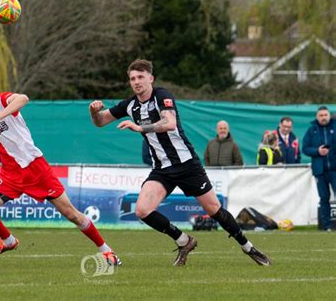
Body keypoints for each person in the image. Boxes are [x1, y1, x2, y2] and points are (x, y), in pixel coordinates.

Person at [89, 59, 271, 266]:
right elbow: (101, 121)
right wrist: (93, 111)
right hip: (162, 169)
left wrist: (142, 128)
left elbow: (170, 122)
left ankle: (248, 247)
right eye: (132, 78)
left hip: (186, 165)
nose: (137, 82)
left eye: (141, 77)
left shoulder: (162, 96)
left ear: (151, 78)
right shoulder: (130, 105)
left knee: (214, 210)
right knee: (142, 210)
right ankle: (184, 240)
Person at [0, 72, 121, 265]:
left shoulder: (2, 100)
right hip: (10, 173)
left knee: (71, 214)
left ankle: (106, 250)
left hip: (35, 168)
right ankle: (9, 241)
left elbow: (23, 98)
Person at [302, 106, 336, 231]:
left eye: (325, 115)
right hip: (319, 171)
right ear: (317, 117)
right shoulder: (312, 130)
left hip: (334, 170)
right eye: (320, 115)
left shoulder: (334, 127)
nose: (323, 117)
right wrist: (317, 151)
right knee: (324, 198)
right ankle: (327, 226)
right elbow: (305, 148)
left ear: (329, 115)